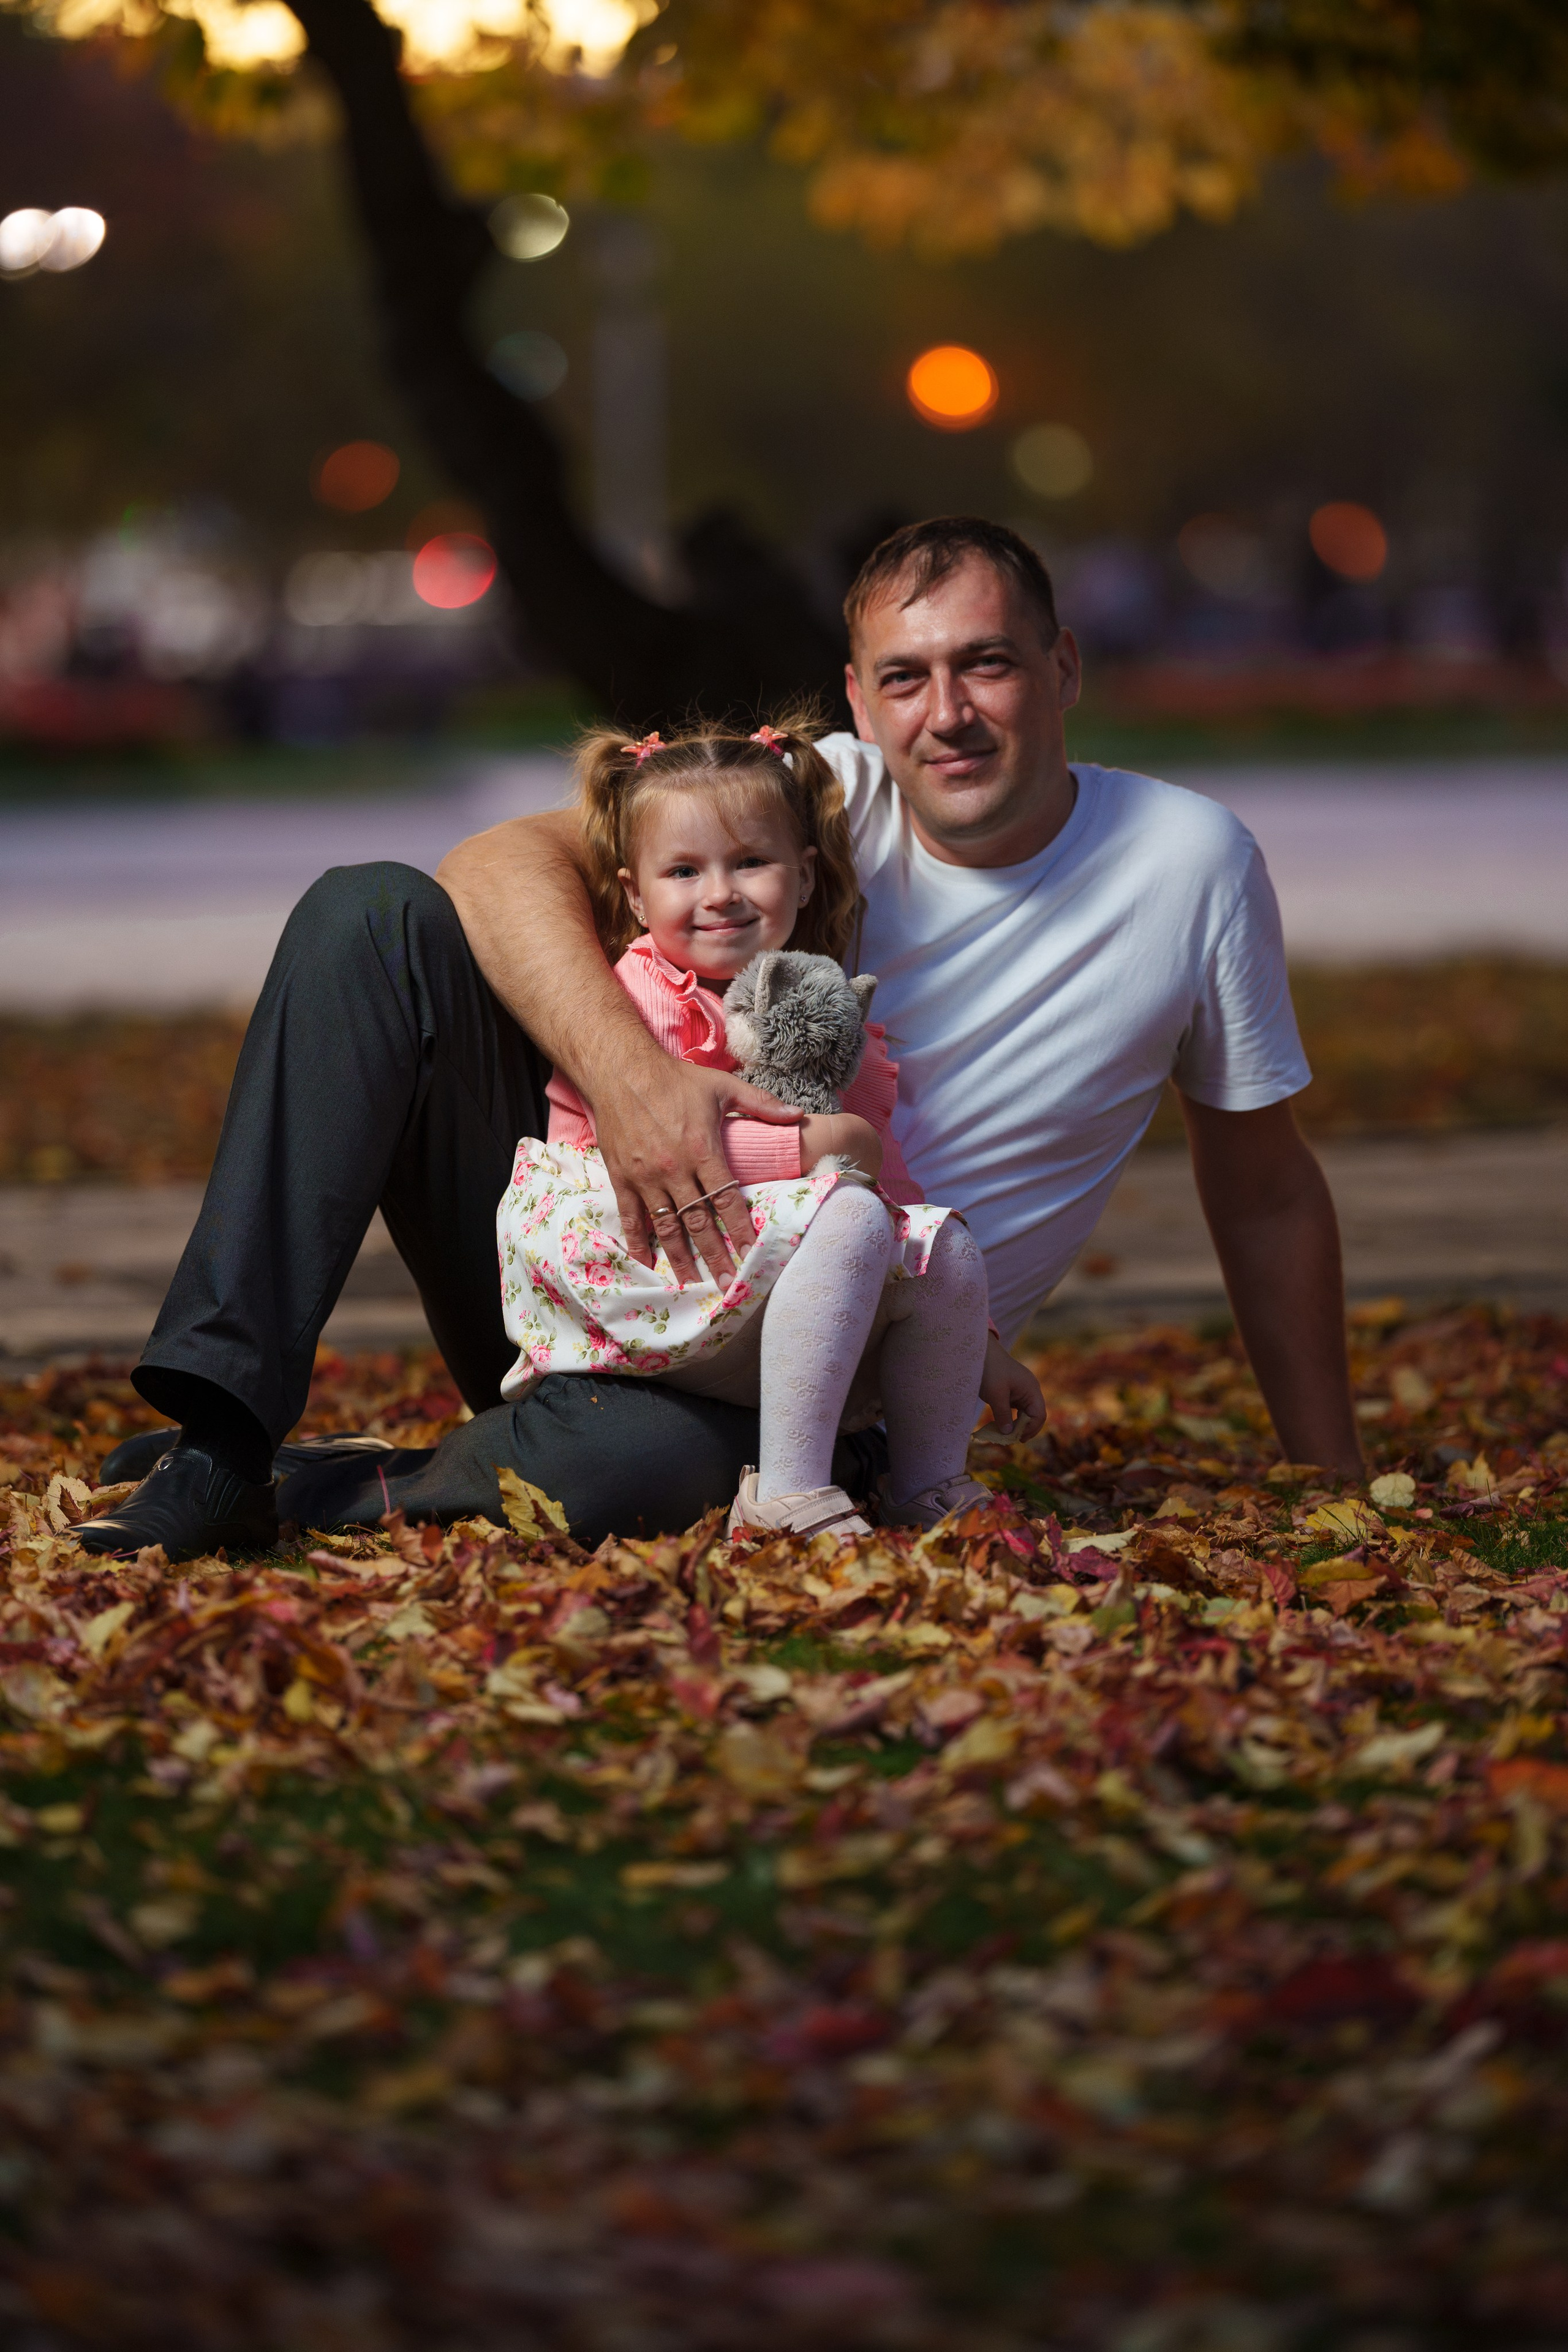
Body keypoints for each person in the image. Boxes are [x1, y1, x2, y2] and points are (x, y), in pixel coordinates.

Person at [85, 515, 1360, 1563]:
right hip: (602, 1269)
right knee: (370, 916)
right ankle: (223, 1443)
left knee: (634, 1474)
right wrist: (632, 1082)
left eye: (988, 664)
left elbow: (1263, 1192)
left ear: (1062, 667)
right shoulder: (811, 801)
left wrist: (1334, 1482)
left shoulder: (1189, 866)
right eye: (904, 678)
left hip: (821, 1378)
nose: (947, 713)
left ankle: (340, 1486)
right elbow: (489, 866)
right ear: (858, 698)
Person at [499, 710, 1040, 1542]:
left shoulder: (825, 1009)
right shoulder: (635, 1000)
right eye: (684, 870)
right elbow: (654, 1151)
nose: (720, 892)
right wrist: (814, 1147)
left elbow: (887, 1172)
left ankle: (928, 1483)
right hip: (637, 1247)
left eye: (751, 862)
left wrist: (984, 1343)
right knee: (850, 1211)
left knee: (945, 1244)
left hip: (756, 1262)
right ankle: (786, 1496)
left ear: (806, 876)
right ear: (637, 895)